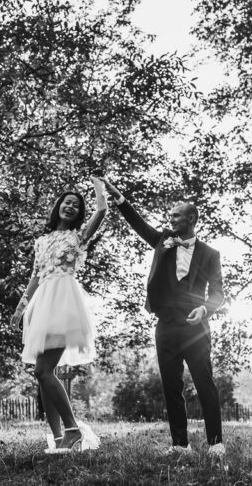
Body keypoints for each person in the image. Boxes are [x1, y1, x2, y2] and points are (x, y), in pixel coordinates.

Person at [104, 180, 226, 459]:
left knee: (205, 383)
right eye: (170, 216)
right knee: (171, 386)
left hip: (196, 327)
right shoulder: (162, 241)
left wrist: (205, 309)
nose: (170, 220)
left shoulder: (211, 254)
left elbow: (218, 293)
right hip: (166, 325)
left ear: (192, 218)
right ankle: (180, 445)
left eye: (176, 215)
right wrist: (119, 197)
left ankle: (216, 443)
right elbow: (138, 223)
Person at [12, 177, 107, 453]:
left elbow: (101, 212)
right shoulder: (41, 241)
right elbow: (35, 277)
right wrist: (20, 308)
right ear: (58, 207)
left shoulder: (78, 237)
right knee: (43, 372)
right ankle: (57, 438)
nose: (71, 207)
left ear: (79, 214)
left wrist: (99, 187)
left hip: (65, 303)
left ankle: (73, 429)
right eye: (67, 202)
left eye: (76, 205)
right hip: (42, 305)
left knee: (43, 370)